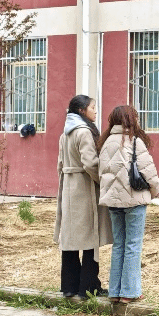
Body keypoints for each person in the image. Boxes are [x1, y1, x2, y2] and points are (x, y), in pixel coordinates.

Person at [97, 105, 159, 304]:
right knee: (133, 245)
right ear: (131, 120)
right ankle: (130, 292)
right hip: (134, 199)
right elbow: (149, 173)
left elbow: (101, 173)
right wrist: (153, 192)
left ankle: (115, 291)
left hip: (113, 202)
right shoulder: (135, 142)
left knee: (119, 245)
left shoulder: (106, 143)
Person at [53, 95, 112, 299]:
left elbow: (60, 164)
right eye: (92, 107)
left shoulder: (65, 133)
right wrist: (101, 181)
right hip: (84, 188)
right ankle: (89, 286)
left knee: (70, 238)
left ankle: (69, 286)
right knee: (89, 237)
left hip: (69, 187)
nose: (95, 111)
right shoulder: (84, 132)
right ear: (81, 111)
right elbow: (90, 163)